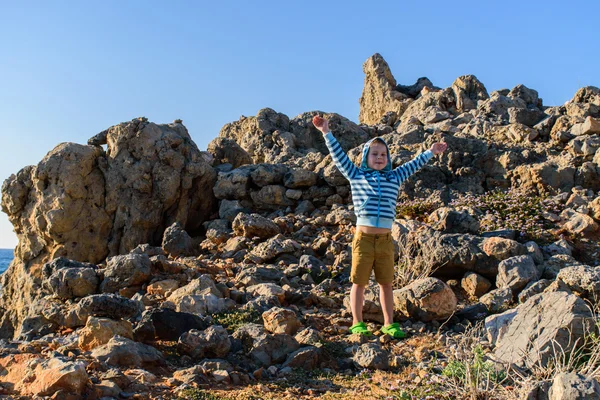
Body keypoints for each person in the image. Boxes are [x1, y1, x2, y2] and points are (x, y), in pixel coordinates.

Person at [312, 115, 447, 338]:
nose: (379, 158)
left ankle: (389, 323)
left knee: (386, 284)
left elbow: (413, 165)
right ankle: (357, 322)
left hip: (385, 240)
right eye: (374, 154)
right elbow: (339, 157)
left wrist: (431, 152)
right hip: (363, 239)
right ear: (366, 156)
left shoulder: (394, 176)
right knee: (359, 282)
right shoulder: (356, 175)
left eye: (383, 155)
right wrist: (326, 132)